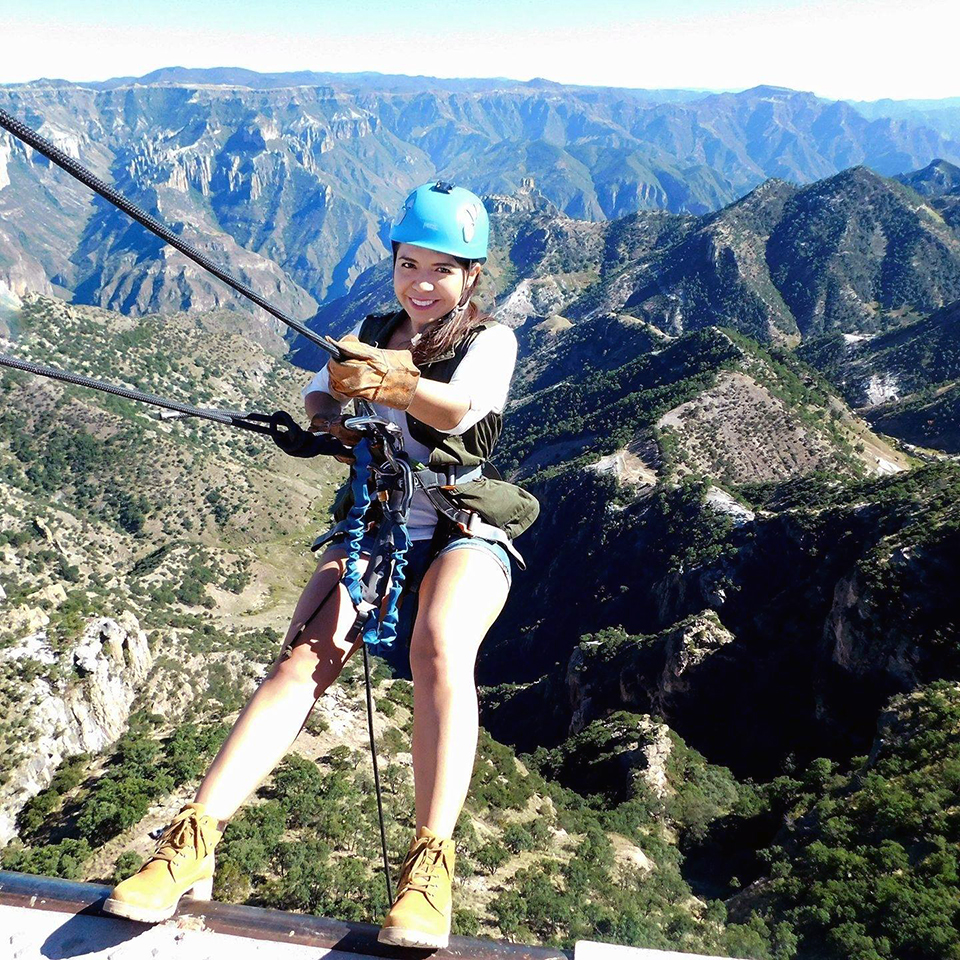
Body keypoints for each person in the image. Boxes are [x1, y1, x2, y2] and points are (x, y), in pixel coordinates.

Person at [102, 181, 539, 948]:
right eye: (409, 264)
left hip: (464, 517)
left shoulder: (490, 341)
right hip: (380, 516)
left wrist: (394, 382)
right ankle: (191, 841)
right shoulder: (369, 330)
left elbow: (461, 409)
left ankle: (430, 867)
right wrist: (330, 423)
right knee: (302, 658)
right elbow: (317, 396)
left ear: (473, 277)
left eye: (441, 269)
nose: (421, 283)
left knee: (439, 644)